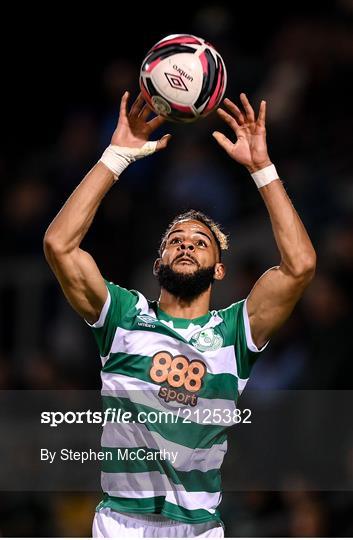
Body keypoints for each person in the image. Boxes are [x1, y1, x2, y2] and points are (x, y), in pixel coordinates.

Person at [44, 91, 316, 538]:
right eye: (175, 240)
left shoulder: (234, 332)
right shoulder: (124, 317)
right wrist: (116, 157)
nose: (186, 244)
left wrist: (260, 169)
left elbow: (301, 266)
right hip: (120, 524)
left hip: (198, 528)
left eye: (200, 241)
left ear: (219, 269)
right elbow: (59, 245)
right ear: (158, 265)